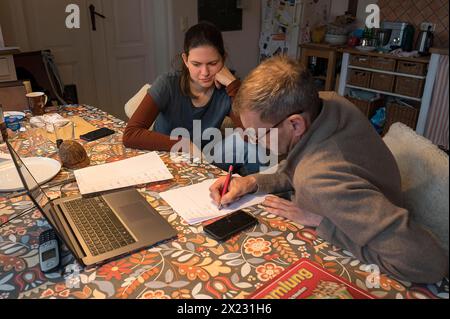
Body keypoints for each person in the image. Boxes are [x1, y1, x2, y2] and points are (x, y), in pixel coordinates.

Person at [210, 55, 448, 284]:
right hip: (368, 203)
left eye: (258, 133)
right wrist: (250, 182)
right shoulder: (326, 102)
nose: (252, 140)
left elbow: (431, 264)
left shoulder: (318, 181)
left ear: (295, 124)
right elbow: (299, 166)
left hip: (362, 231)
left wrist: (322, 223)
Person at [123, 22, 264, 174]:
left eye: (213, 63)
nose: (204, 72)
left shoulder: (227, 90)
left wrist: (233, 84)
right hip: (168, 158)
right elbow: (130, 134)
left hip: (206, 159)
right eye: (196, 64)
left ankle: (251, 190)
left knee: (255, 147)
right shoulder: (167, 84)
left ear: (223, 59)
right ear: (185, 60)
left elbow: (252, 135)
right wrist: (183, 144)